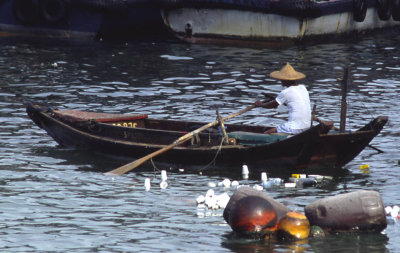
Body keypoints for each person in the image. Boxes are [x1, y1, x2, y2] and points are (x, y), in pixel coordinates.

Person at [254, 63, 311, 134]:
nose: (280, 80)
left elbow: (273, 105)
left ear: (286, 80)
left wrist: (260, 105)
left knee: (266, 133)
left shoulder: (286, 92)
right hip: (307, 126)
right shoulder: (303, 87)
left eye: (282, 79)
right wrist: (277, 99)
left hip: (294, 127)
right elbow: (294, 102)